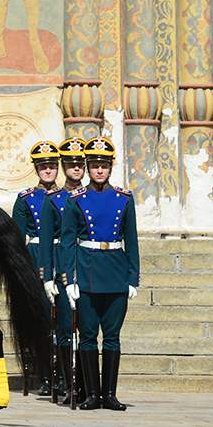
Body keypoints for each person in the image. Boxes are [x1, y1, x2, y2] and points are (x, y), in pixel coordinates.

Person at [61, 137, 138, 412]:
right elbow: (68, 242)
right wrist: (69, 280)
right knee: (88, 337)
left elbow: (132, 240)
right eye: (94, 165)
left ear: (110, 167)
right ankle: (92, 394)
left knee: (113, 337)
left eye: (104, 165)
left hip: (116, 273)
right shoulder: (76, 200)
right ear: (88, 167)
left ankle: (110, 395)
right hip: (88, 274)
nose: (99, 170)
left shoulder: (124, 199)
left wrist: (133, 278)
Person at [38, 137, 86, 403]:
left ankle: (87, 386)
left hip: (87, 267)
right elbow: (46, 241)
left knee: (86, 329)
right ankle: (68, 384)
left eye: (80, 164)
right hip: (62, 268)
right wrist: (47, 276)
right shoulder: (53, 199)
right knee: (65, 327)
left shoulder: (90, 196)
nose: (76, 169)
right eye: (70, 164)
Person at [12, 139, 60, 395]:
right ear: (36, 169)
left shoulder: (67, 197)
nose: (48, 171)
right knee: (38, 320)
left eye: (52, 165)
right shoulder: (26, 199)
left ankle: (61, 374)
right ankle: (42, 374)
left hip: (58, 254)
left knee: (60, 320)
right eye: (43, 166)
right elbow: (16, 240)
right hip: (34, 258)